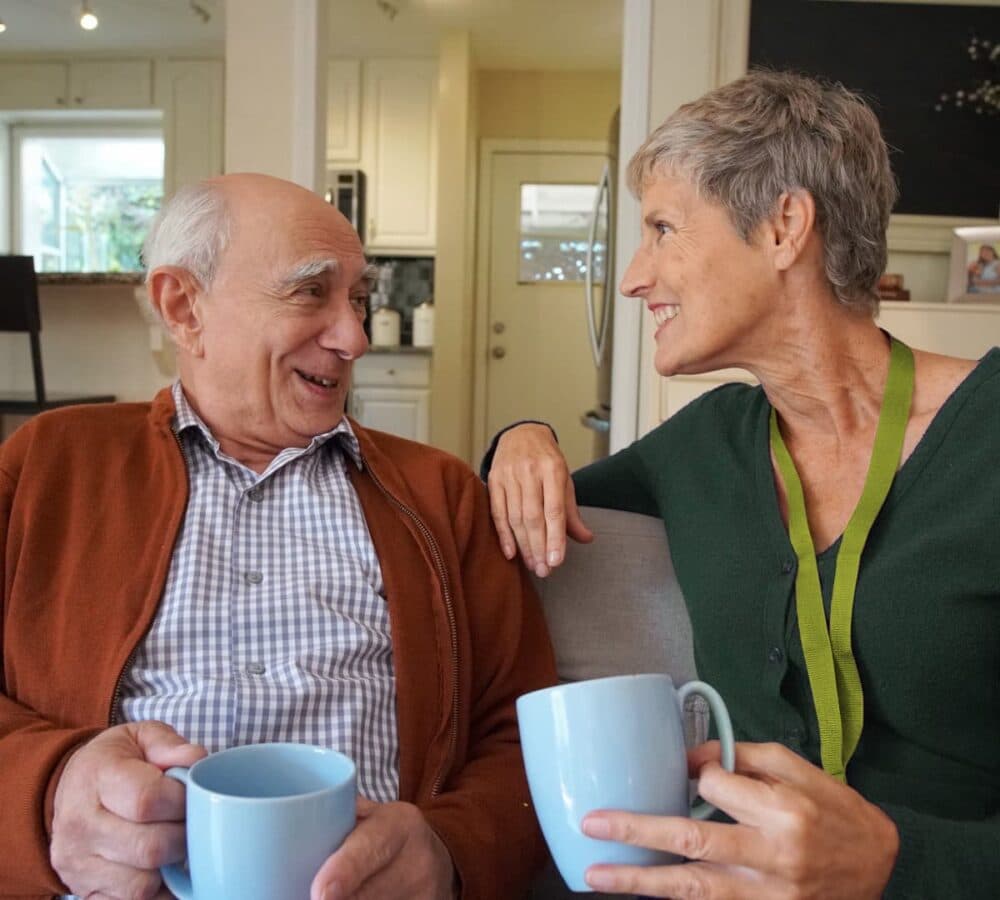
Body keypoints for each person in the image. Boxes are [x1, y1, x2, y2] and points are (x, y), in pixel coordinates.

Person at [485, 71, 1000, 899]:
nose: (632, 277)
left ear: (783, 226)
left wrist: (893, 865)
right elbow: (518, 510)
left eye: (662, 228)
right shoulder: (706, 443)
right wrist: (520, 436)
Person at [0, 173, 556, 900]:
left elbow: (528, 734)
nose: (353, 336)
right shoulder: (49, 466)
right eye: (309, 292)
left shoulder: (441, 495)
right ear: (184, 306)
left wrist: (448, 851)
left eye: (359, 299)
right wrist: (47, 793)